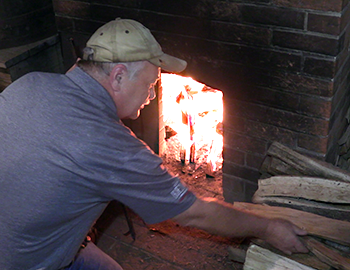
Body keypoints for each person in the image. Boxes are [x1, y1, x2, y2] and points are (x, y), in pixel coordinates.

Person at [0, 18, 308, 270]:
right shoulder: (108, 144)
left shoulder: (30, 83)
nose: (151, 97)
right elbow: (193, 213)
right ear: (118, 76)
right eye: (150, 85)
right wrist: (268, 228)